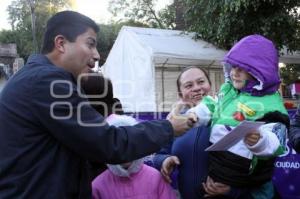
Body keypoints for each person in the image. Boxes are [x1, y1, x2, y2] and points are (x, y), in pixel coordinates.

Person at [0, 11, 194, 198]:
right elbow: (109, 142)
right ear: (61, 43)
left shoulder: (35, 78)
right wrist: (169, 127)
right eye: (90, 44)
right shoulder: (46, 81)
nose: (97, 56)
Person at [186, 35, 289, 198]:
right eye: (233, 66)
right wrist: (194, 114)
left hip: (249, 186)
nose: (234, 73)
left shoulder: (271, 105)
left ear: (259, 71)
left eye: (242, 68)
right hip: (217, 176)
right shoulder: (229, 90)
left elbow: (277, 141)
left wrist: (260, 140)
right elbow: (212, 104)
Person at [153, 66, 242, 199]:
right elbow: (159, 155)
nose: (196, 88)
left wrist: (233, 190)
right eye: (188, 85)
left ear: (209, 85)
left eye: (201, 82)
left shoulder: (229, 116)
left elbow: (252, 163)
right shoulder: (175, 121)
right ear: (180, 94)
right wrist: (165, 160)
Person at [92, 114, 177, 199]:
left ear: (137, 143)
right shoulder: (98, 186)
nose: (124, 152)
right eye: (119, 145)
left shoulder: (155, 178)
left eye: (128, 145)